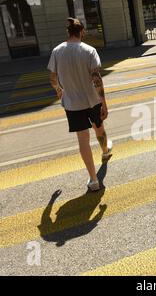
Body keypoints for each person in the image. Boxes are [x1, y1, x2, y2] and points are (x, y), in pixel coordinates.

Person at [47, 18, 113, 192]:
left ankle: (93, 180)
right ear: (82, 31)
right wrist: (104, 103)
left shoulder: (57, 51)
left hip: (72, 103)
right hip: (92, 100)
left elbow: (52, 77)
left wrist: (58, 90)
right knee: (99, 128)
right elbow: (96, 79)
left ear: (68, 32)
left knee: (83, 139)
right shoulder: (89, 50)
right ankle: (105, 151)